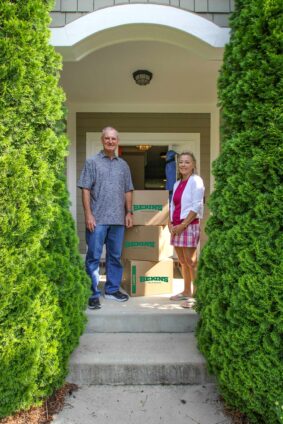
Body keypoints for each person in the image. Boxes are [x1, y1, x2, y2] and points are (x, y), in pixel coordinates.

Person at [77, 127, 134, 310]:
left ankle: (111, 290)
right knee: (93, 257)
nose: (110, 141)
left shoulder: (123, 165)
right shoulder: (92, 162)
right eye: (107, 138)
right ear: (102, 140)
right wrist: (88, 215)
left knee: (115, 257)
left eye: (114, 139)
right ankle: (92, 293)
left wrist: (129, 212)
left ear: (118, 141)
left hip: (118, 220)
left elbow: (128, 190)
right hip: (97, 219)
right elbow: (85, 189)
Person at [168, 152, 205, 308]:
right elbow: (173, 205)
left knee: (191, 261)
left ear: (193, 165)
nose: (183, 165)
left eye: (187, 162)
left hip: (188, 225)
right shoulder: (177, 183)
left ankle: (196, 296)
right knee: (182, 261)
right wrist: (170, 223)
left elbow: (197, 206)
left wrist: (183, 225)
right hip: (176, 226)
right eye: (181, 162)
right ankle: (186, 291)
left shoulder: (196, 181)